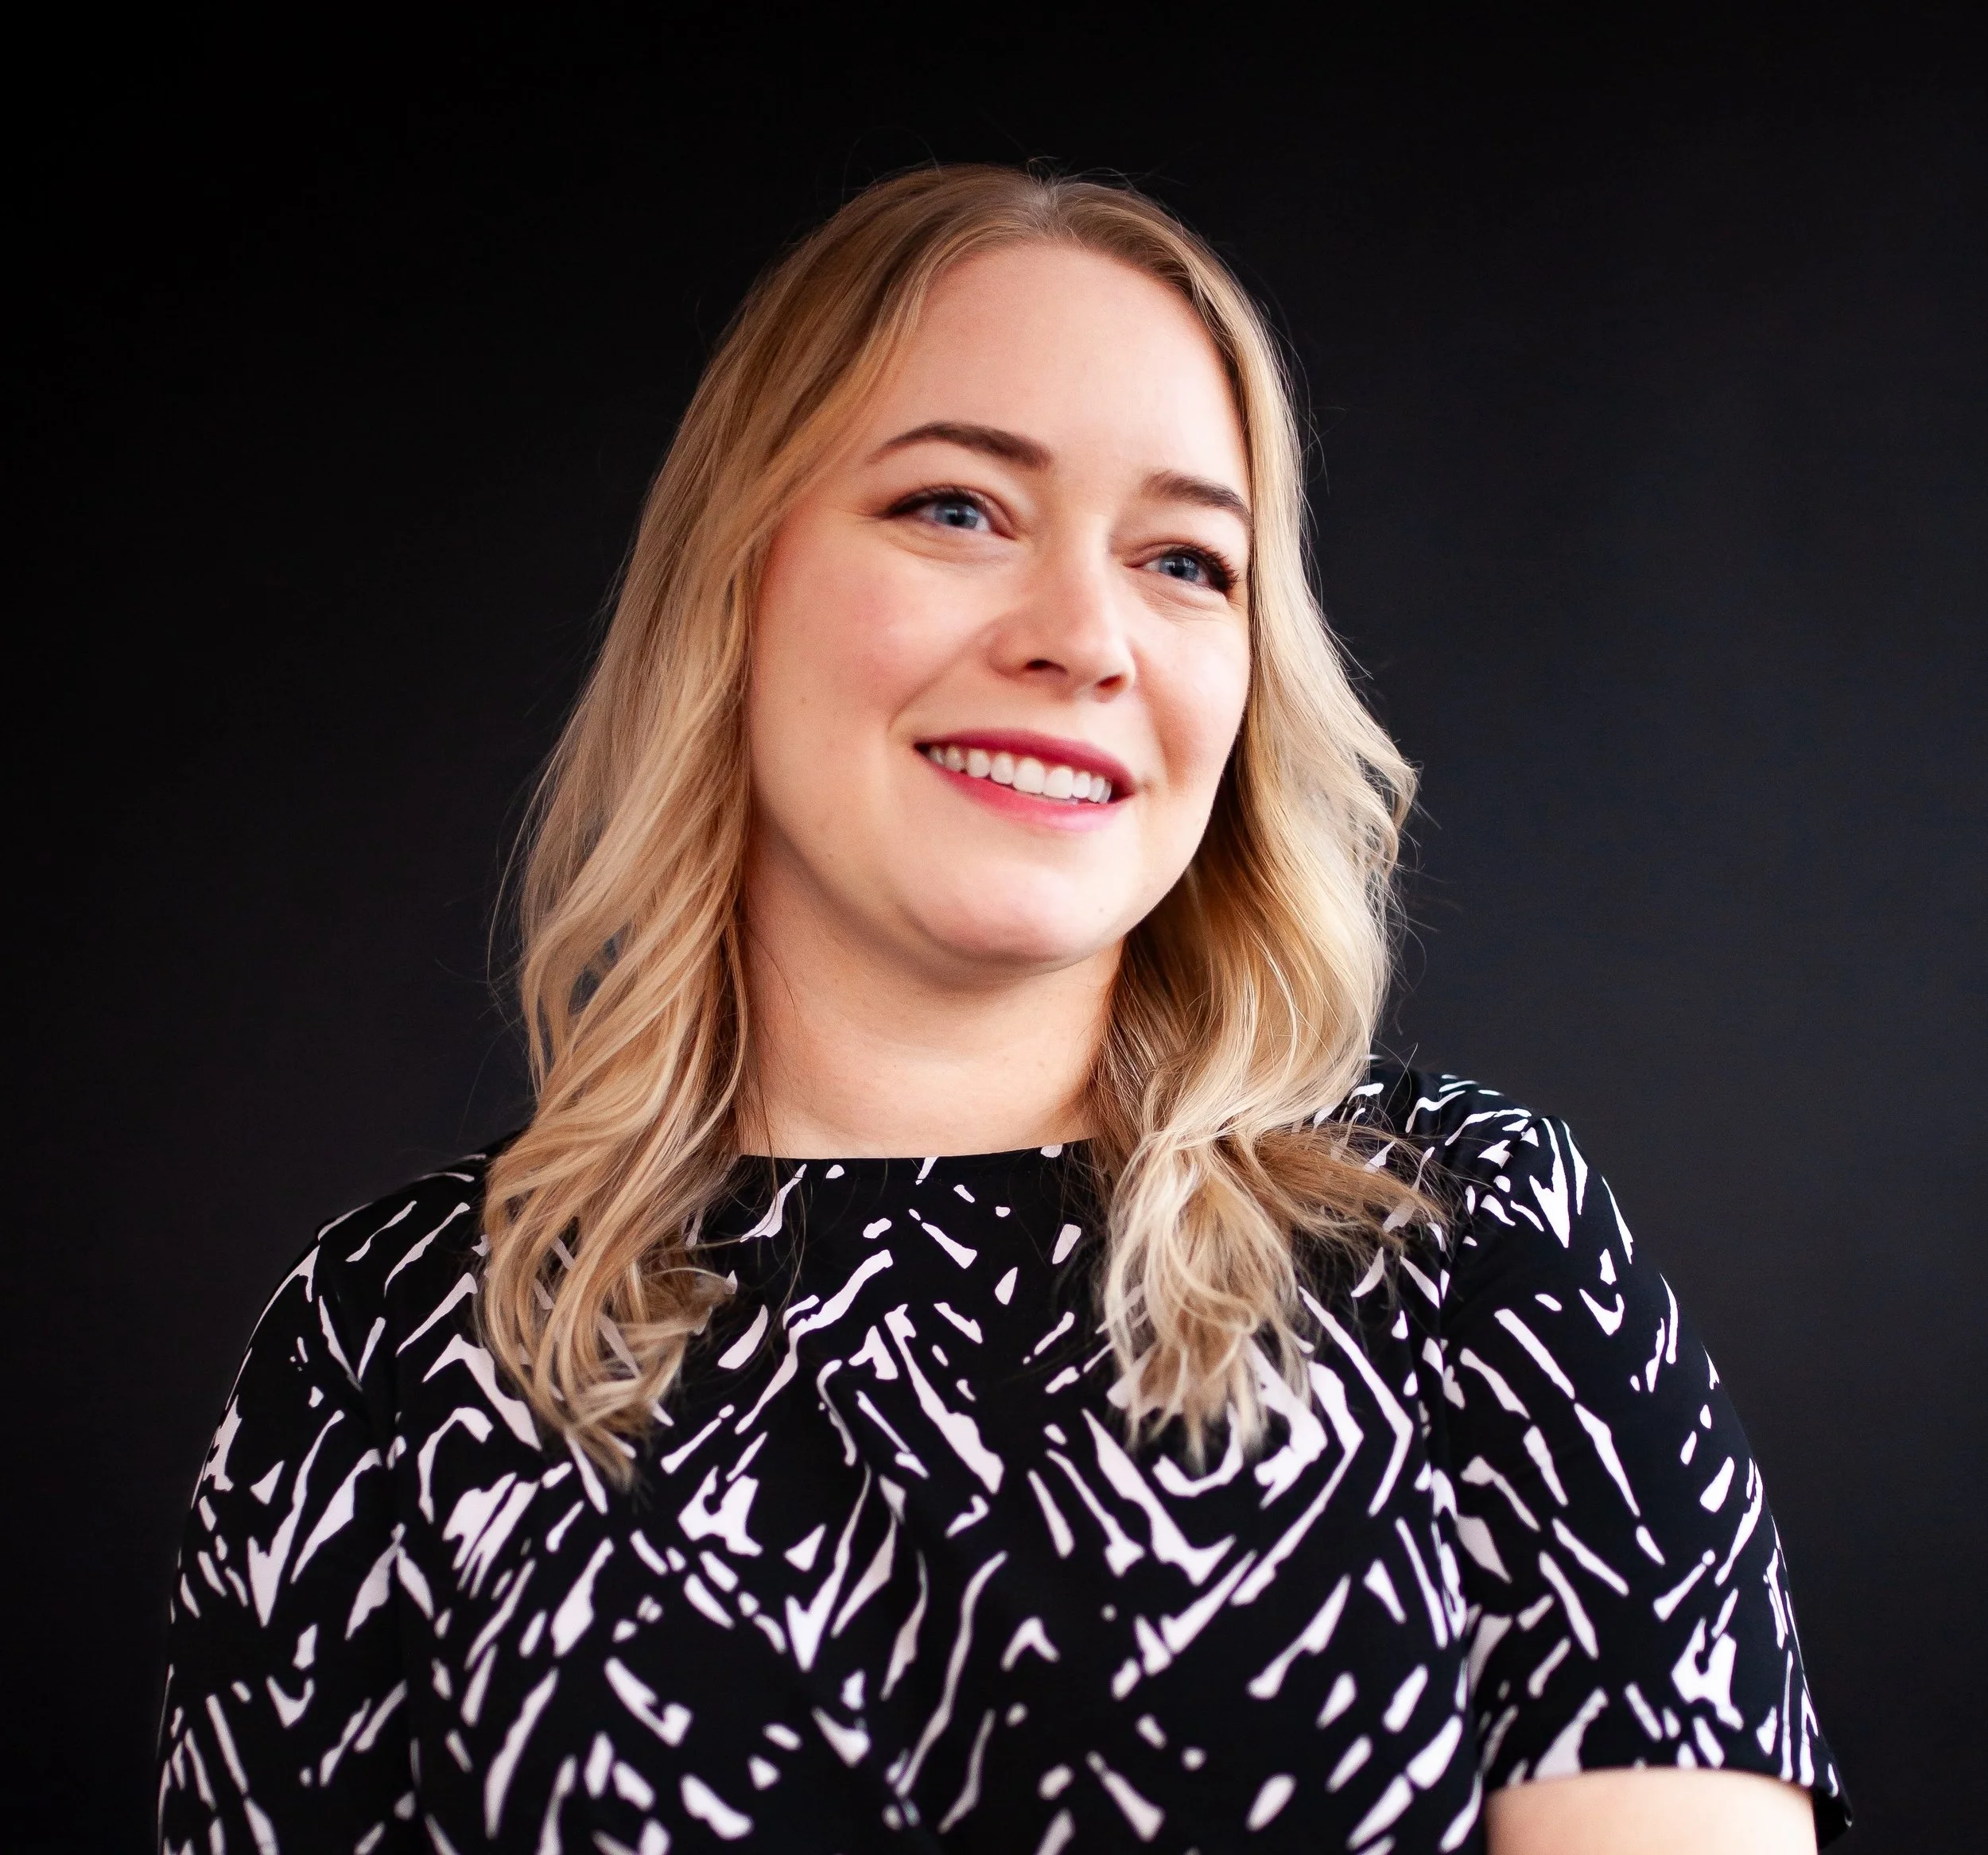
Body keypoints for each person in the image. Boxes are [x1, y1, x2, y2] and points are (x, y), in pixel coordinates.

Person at [156, 165, 1847, 1855]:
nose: (1084, 638)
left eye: (1184, 559)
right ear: (731, 583)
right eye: (957, 509)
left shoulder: (1465, 1244)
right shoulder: (384, 1343)